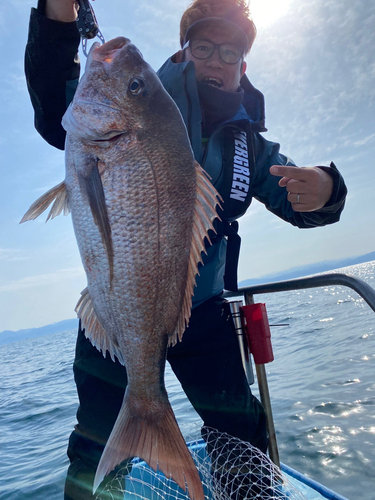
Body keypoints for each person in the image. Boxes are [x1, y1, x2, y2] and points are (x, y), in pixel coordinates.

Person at [24, 0, 347, 499]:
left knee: (241, 432)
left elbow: (297, 203)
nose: (217, 59)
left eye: (231, 51)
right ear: (184, 51)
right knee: (94, 443)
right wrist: (55, 15)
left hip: (205, 313)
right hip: (118, 310)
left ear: (244, 65)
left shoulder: (251, 145)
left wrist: (327, 189)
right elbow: (53, 103)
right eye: (204, 46)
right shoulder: (141, 102)